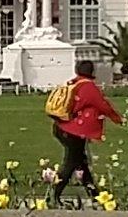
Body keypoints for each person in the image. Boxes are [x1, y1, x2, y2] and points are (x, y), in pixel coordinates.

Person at [43, 58, 116, 196]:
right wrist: (118, 118)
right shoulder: (88, 87)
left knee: (81, 162)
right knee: (71, 163)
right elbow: (102, 105)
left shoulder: (72, 83)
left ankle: (94, 194)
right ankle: (54, 194)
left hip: (62, 127)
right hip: (74, 131)